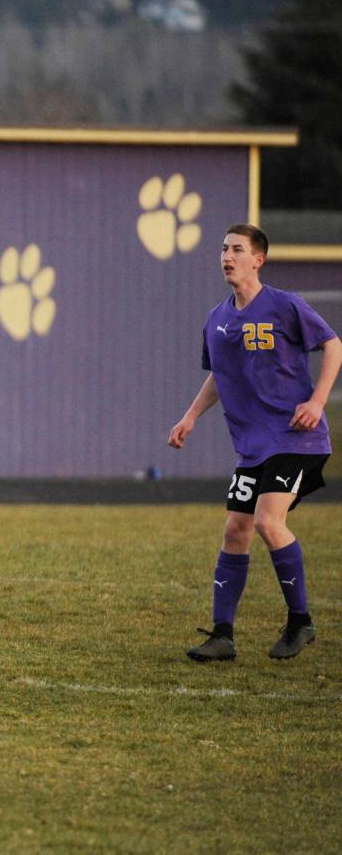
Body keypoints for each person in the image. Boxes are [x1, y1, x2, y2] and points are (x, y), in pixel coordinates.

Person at [168, 224, 340, 662]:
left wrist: (318, 401)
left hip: (295, 439)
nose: (227, 256)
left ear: (258, 259)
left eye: (237, 249)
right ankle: (223, 635)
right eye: (223, 249)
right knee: (235, 529)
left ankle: (300, 621)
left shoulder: (285, 305)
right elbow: (219, 377)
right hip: (252, 447)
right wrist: (190, 416)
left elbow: (333, 346)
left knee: (267, 521)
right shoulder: (217, 319)